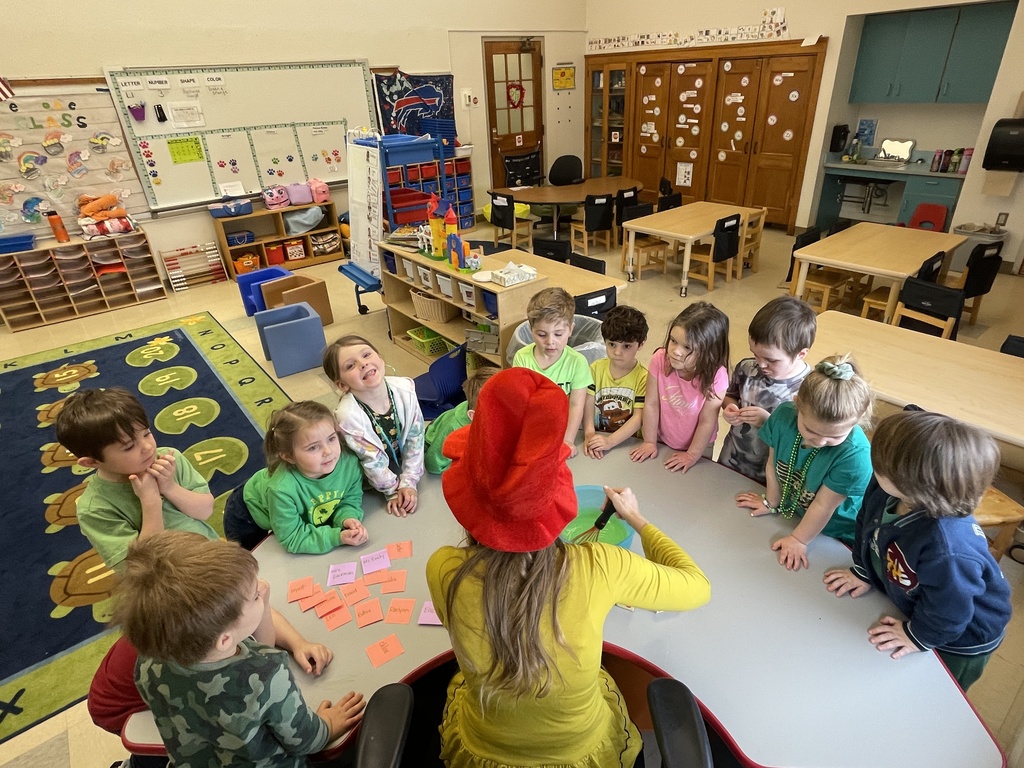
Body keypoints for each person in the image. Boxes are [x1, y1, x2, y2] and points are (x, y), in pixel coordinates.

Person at [426, 368, 711, 768]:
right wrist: (637, 520)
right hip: (577, 750)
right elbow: (697, 586)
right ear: (557, 499)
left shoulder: (444, 569)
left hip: (485, 746)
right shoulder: (601, 566)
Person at [114, 531, 366, 768]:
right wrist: (327, 724)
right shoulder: (268, 673)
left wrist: (261, 604)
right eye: (254, 595)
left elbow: (259, 645)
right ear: (224, 640)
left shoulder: (150, 661)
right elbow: (305, 741)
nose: (263, 586)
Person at [823, 410, 1011, 691]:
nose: (874, 462)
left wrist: (916, 637)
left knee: (937, 692)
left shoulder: (947, 548)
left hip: (962, 636)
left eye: (882, 464)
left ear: (916, 486)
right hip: (919, 600)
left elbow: (951, 611)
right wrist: (863, 570)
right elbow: (866, 524)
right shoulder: (887, 487)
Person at [735, 355, 873, 571]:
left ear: (857, 420)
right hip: (795, 513)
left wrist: (799, 540)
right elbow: (773, 464)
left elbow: (824, 505)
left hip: (836, 533)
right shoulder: (782, 416)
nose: (819, 442)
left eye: (833, 437)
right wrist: (772, 502)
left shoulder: (856, 456)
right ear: (797, 403)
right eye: (810, 430)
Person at [54, 387, 216, 570]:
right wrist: (150, 501)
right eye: (129, 446)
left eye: (147, 433)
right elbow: (143, 568)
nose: (147, 447)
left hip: (211, 556)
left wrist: (170, 487)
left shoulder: (170, 459)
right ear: (91, 462)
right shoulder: (95, 509)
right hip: (170, 584)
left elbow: (205, 511)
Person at [223, 401, 367, 553]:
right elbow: (292, 537)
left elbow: (349, 498)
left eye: (331, 439)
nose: (328, 451)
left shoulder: (349, 464)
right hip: (246, 515)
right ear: (289, 457)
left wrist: (346, 518)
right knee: (251, 563)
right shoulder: (281, 489)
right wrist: (336, 537)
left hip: (279, 499)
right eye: (313, 447)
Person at [323, 334, 425, 517]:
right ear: (342, 384)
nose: (363, 364)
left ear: (380, 358)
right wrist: (393, 491)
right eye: (350, 365)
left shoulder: (406, 389)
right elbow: (372, 462)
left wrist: (409, 481)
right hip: (367, 478)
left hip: (397, 462)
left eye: (366, 355)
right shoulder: (347, 417)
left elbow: (415, 438)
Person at [718, 296, 816, 483]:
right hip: (732, 461)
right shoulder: (747, 367)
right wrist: (730, 407)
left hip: (772, 477)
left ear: (801, 354)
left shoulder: (809, 389)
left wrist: (769, 423)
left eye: (771, 360)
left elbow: (807, 440)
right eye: (755, 354)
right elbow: (730, 395)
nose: (760, 364)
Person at [630, 302, 729, 474]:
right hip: (661, 438)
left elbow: (707, 421)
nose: (675, 351)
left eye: (687, 347)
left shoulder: (717, 376)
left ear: (708, 352)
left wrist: (692, 455)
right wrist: (649, 441)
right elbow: (652, 404)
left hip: (699, 447)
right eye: (673, 341)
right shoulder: (660, 359)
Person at [512, 287, 593, 457]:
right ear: (531, 329)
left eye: (558, 334)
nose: (550, 342)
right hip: (532, 432)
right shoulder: (522, 358)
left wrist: (568, 440)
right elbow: (520, 405)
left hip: (563, 431)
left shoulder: (577, 362)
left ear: (570, 329)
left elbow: (577, 404)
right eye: (542, 334)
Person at [583, 304, 648, 460]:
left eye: (626, 346)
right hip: (597, 437)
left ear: (641, 344)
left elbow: (639, 418)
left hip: (628, 443)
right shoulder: (595, 369)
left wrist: (610, 441)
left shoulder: (644, 377)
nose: (618, 352)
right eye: (612, 344)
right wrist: (589, 433)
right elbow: (588, 402)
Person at [424, 366, 500, 474]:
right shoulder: (453, 428)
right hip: (435, 451)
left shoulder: (484, 411)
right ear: (473, 416)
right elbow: (433, 465)